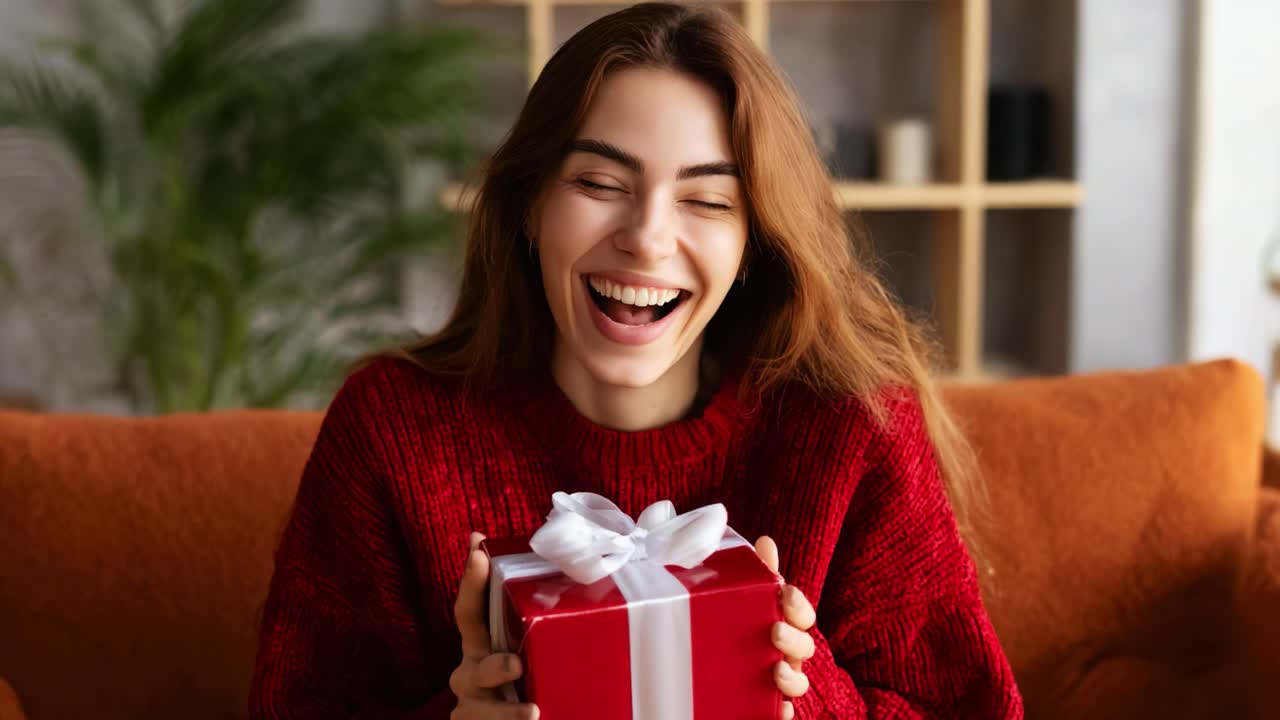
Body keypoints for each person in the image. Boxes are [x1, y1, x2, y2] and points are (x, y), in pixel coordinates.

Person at [248, 3, 1023, 718]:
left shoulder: (853, 429)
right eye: (599, 182)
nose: (647, 237)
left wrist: (807, 696)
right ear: (530, 206)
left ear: (753, 243)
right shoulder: (394, 432)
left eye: (707, 201)